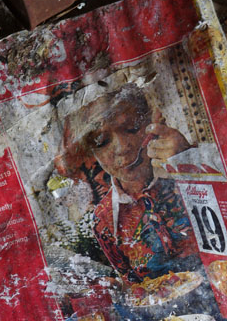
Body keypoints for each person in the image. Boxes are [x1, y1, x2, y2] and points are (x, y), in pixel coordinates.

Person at [55, 84, 202, 283]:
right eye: (101, 141)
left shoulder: (192, 165)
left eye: (132, 127)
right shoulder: (104, 221)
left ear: (151, 123)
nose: (123, 147)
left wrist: (188, 163)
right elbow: (135, 287)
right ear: (92, 152)